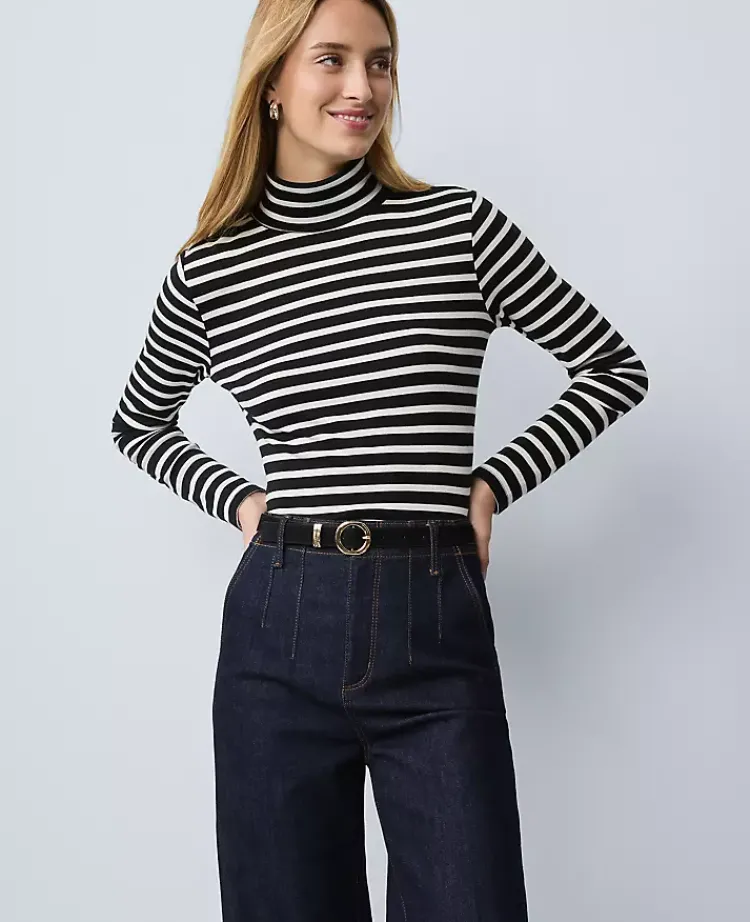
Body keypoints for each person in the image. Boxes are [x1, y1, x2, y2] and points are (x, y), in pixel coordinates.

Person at [110, 0, 649, 918]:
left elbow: (612, 368)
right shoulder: (212, 269)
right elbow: (139, 423)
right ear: (272, 82)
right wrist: (243, 502)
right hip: (278, 626)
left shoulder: (459, 228)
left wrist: (492, 485)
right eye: (332, 59)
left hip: (432, 618)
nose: (362, 87)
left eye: (382, 62)